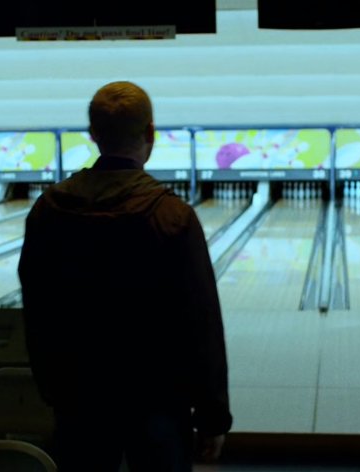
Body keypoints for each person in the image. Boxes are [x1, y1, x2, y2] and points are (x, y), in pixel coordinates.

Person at [17, 81, 232, 472]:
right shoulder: (173, 217)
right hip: (158, 404)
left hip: (77, 399)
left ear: (93, 134)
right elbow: (202, 327)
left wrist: (52, 389)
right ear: (150, 133)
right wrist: (213, 416)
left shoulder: (48, 212)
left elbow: (36, 312)